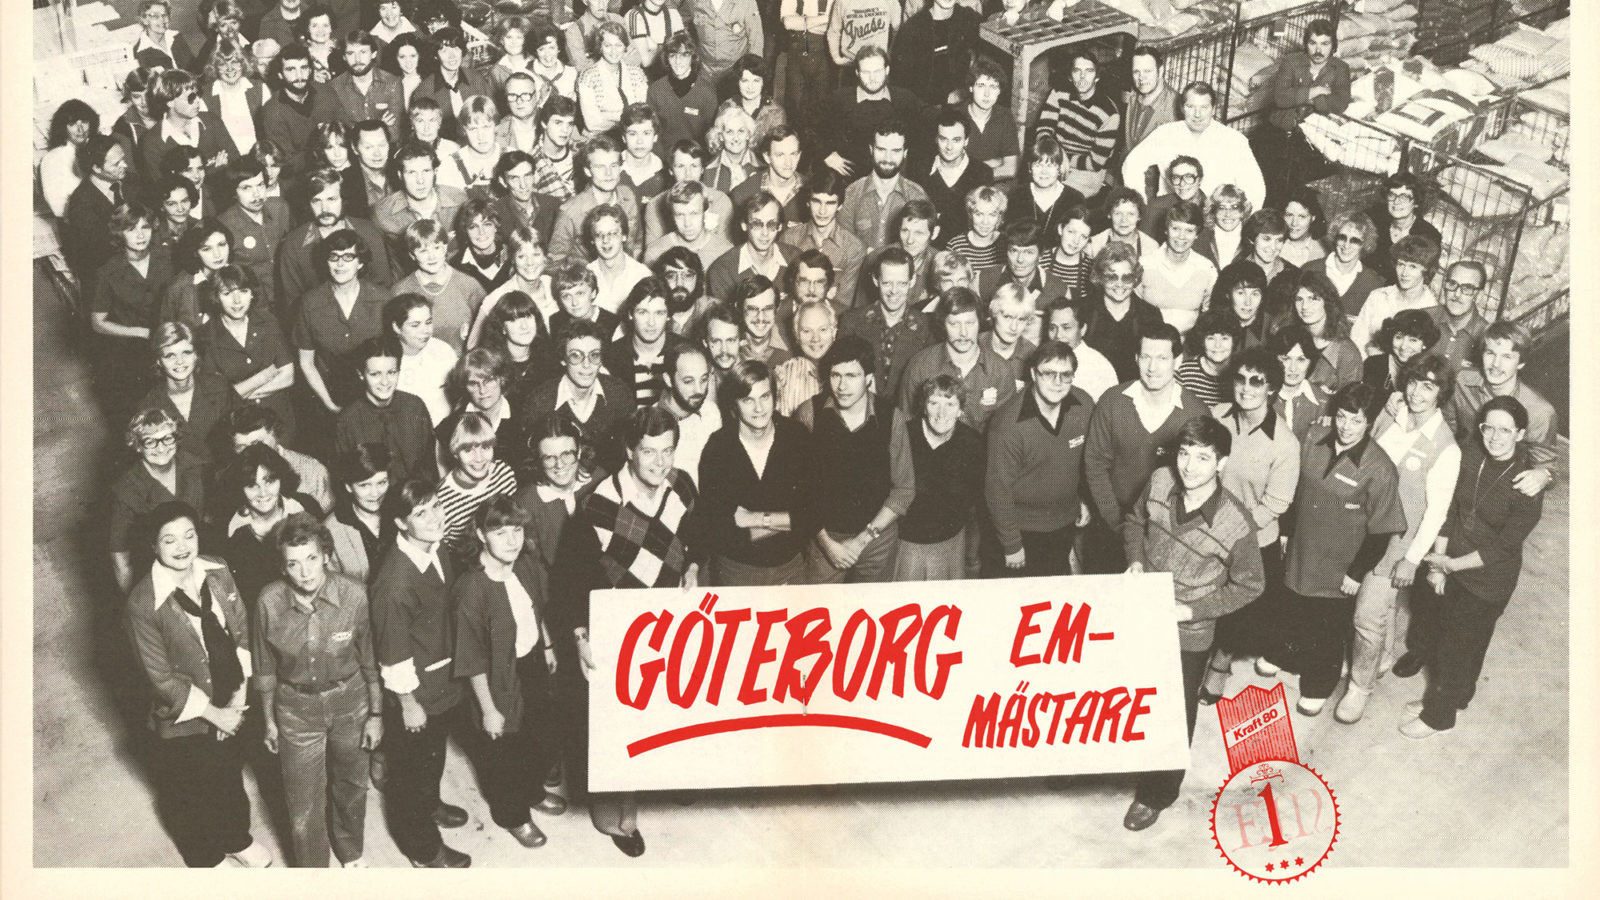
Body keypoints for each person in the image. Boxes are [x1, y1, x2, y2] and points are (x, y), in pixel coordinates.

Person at [553, 407, 706, 857]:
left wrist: (693, 564)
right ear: (629, 451)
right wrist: (580, 636)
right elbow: (568, 582)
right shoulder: (597, 504)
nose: (660, 462)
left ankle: (666, 775)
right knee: (617, 721)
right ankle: (617, 809)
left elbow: (698, 534)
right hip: (617, 627)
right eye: (649, 452)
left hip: (668, 623)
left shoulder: (682, 486)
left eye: (667, 451)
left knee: (668, 704)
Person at [1120, 417, 1264, 832]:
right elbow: (1135, 520)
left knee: (1173, 711)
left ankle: (1156, 793)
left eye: (1203, 458)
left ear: (1221, 463)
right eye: (1184, 453)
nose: (1188, 466)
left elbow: (1250, 584)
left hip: (1188, 631)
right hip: (1143, 609)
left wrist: (1193, 611)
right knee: (1127, 691)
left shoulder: (1236, 523)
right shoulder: (1160, 480)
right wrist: (1135, 560)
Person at [126, 501, 271, 868]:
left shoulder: (217, 569)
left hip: (231, 697)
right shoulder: (143, 604)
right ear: (154, 546)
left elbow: (241, 630)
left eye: (189, 535)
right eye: (169, 540)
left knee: (229, 773)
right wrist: (214, 715)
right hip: (187, 714)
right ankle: (203, 855)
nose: (182, 547)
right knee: (191, 787)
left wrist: (236, 700)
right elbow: (160, 678)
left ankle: (235, 837)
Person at [1399, 396, 1544, 738]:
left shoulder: (1527, 483)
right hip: (1451, 562)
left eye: (1505, 430)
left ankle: (1439, 717)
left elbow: (1503, 547)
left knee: (1459, 646)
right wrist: (1437, 564)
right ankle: (1455, 697)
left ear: (1520, 434)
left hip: (1488, 579)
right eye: (1488, 427)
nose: (1494, 437)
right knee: (1454, 639)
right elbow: (1450, 509)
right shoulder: (1471, 454)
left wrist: (1450, 565)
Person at [248, 513, 381, 868]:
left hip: (351, 702)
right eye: (293, 563)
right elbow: (264, 669)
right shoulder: (268, 602)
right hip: (296, 709)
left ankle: (351, 851)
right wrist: (269, 721)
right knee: (303, 803)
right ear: (282, 567)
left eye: (311, 558)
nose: (305, 571)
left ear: (326, 556)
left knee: (352, 785)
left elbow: (370, 659)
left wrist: (376, 713)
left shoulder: (354, 595)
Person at [1337, 353, 1461, 724]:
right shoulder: (1392, 415)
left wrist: (1412, 558)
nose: (1417, 392)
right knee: (1376, 606)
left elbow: (1436, 512)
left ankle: (1359, 688)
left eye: (1429, 386)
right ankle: (1383, 654)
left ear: (1441, 393)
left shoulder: (1446, 447)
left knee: (1367, 616)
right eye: (1413, 382)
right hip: (1361, 527)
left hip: (1397, 542)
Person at [1275, 382, 1406, 716]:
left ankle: (1318, 686)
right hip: (1303, 549)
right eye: (1342, 417)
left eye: (1357, 421)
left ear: (1369, 423)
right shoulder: (1312, 440)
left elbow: (1382, 531)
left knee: (1328, 627)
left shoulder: (1380, 468)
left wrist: (1356, 572)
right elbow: (1294, 489)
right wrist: (1286, 533)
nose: (1347, 427)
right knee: (1296, 608)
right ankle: (1292, 659)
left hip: (1339, 565)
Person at [452, 496, 567, 849]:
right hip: (495, 678)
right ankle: (512, 814)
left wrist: (546, 644)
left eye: (516, 530)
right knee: (503, 755)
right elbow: (470, 658)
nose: (512, 540)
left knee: (539, 736)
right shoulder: (471, 589)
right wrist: (488, 709)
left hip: (530, 663)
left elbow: (535, 609)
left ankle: (532, 791)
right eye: (500, 533)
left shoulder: (523, 565)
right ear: (480, 535)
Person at [368, 479, 473, 868]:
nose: (433, 518)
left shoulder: (436, 546)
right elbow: (393, 654)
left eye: (436, 506)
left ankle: (430, 805)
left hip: (441, 681)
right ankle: (422, 849)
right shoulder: (394, 583)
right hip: (415, 693)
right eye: (420, 512)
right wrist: (408, 704)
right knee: (410, 775)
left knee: (432, 759)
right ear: (400, 522)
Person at [1199, 347, 1300, 704]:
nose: (1246, 388)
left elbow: (1276, 503)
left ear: (1271, 388)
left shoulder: (1284, 443)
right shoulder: (1217, 416)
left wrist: (1230, 531)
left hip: (1252, 540)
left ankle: (1220, 664)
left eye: (1256, 381)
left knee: (1236, 611)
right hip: (1206, 528)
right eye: (1240, 379)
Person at [1082, 325, 1209, 573]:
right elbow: (1095, 464)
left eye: (1162, 358)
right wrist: (1118, 524)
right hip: (1111, 523)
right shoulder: (1113, 401)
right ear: (1136, 358)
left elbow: (1201, 479)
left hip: (1168, 533)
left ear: (1178, 361)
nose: (1152, 367)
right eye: (1146, 357)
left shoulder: (1196, 412)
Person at [800, 334, 915, 583]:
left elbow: (904, 489)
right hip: (825, 540)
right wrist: (826, 543)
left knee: (873, 605)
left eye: (852, 376)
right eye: (835, 375)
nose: (842, 386)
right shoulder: (810, 414)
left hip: (876, 539)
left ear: (869, 378)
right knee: (821, 606)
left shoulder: (891, 418)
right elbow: (800, 490)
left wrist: (863, 539)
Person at [696, 360, 814, 584]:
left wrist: (753, 518)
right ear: (734, 404)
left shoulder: (796, 436)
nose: (759, 409)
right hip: (736, 571)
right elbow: (717, 526)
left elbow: (812, 515)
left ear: (774, 398)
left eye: (765, 397)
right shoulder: (718, 447)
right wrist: (786, 521)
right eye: (748, 400)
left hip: (791, 568)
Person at [983, 340, 1093, 577]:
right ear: (1033, 374)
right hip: (1020, 529)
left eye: (1065, 375)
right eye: (1048, 373)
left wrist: (1084, 499)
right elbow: (997, 490)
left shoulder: (1084, 406)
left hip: (1063, 523)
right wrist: (1011, 544)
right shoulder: (1007, 424)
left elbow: (1088, 461)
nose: (1057, 382)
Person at [1442, 321, 1559, 494]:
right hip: (1460, 470)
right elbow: (1445, 429)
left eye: (1507, 357)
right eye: (1490, 353)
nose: (1496, 364)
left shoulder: (1539, 411)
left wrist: (1542, 476)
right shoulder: (1462, 381)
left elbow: (1547, 468)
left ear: (1521, 363)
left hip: (1504, 485)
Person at [892, 373, 982, 581]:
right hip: (906, 541)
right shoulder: (903, 436)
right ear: (924, 407)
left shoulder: (972, 443)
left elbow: (974, 501)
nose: (942, 413)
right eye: (934, 403)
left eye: (950, 404)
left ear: (960, 410)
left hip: (950, 541)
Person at [110, 409, 211, 593]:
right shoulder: (127, 488)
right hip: (159, 575)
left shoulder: (195, 466)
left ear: (176, 438)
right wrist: (132, 600)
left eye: (167, 438)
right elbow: (120, 555)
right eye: (150, 442)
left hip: (201, 558)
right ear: (137, 445)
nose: (161, 448)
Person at [1120, 81, 1264, 211]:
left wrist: (1242, 221)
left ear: (1213, 109)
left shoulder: (1234, 140)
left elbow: (1255, 187)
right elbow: (1132, 164)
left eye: (1204, 107)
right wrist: (1141, 206)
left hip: (1216, 218)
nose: (1197, 114)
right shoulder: (1165, 133)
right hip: (1172, 216)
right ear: (1182, 108)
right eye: (1190, 107)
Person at [293, 227, 391, 413]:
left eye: (348, 257)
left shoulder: (383, 299)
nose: (340, 264)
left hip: (378, 396)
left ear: (360, 263)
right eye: (334, 257)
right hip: (330, 395)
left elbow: (393, 357)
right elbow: (306, 362)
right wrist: (329, 404)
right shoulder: (310, 303)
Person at [216, 442, 325, 605]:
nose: (263, 493)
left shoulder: (307, 507)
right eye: (252, 485)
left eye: (269, 481)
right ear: (239, 488)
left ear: (281, 479)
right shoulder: (229, 532)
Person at [90, 203, 170, 418]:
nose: (140, 235)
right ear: (119, 234)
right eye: (131, 229)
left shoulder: (167, 257)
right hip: (132, 350)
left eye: (145, 227)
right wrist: (140, 332)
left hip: (169, 339)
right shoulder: (108, 272)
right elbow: (98, 323)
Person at [1259, 18, 1350, 207]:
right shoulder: (1291, 62)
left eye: (1325, 44)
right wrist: (1316, 91)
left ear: (1333, 46)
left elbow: (1340, 103)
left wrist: (1304, 98)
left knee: (1305, 186)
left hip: (1312, 136)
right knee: (1271, 183)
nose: (1318, 50)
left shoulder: (1341, 68)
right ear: (1305, 44)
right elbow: (1280, 98)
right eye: (1313, 43)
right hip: (1281, 128)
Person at [197, 265, 297, 437]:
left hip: (279, 422)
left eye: (243, 291)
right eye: (227, 293)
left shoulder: (267, 321)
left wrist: (241, 392)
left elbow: (288, 376)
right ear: (216, 297)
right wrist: (265, 375)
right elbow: (219, 399)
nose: (237, 301)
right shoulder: (205, 336)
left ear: (252, 293)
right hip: (240, 428)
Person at [898, 288, 1016, 431]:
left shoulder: (1001, 371)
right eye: (954, 324)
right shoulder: (920, 366)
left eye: (970, 323)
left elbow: (1006, 431)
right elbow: (906, 425)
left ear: (980, 323)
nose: (963, 333)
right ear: (943, 324)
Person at [528, 318, 631, 473]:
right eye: (576, 356)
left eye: (594, 355)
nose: (586, 364)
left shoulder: (618, 393)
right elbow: (533, 462)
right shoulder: (540, 402)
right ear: (563, 359)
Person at [334, 335, 437, 481]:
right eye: (375, 374)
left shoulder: (415, 406)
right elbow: (345, 477)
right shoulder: (347, 420)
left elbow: (429, 465)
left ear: (399, 371)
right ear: (361, 374)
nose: (385, 382)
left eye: (391, 372)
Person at [839, 246, 935, 402]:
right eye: (887, 283)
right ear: (875, 280)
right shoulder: (852, 321)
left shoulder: (927, 326)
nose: (894, 291)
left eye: (902, 283)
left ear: (912, 281)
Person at [140, 321, 242, 467]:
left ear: (196, 355)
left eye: (186, 353)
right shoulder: (149, 405)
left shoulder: (219, 387)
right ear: (159, 361)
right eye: (170, 356)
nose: (179, 361)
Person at [820, 48, 928, 181]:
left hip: (892, 179)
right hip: (850, 179)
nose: (872, 78)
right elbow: (806, 123)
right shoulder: (840, 99)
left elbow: (933, 119)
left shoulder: (904, 98)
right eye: (866, 72)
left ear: (887, 70)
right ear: (857, 73)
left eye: (877, 71)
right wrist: (825, 154)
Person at [1034, 50, 1120, 200]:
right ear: (1070, 76)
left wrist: (1062, 158)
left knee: (1056, 198)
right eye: (1077, 71)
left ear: (1097, 77)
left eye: (1089, 71)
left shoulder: (1109, 114)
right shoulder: (1058, 93)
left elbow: (1095, 163)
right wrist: (1058, 155)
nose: (1082, 77)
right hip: (1055, 158)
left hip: (1086, 172)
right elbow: (1043, 130)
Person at [259, 44, 353, 178]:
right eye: (291, 70)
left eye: (303, 68)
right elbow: (287, 164)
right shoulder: (272, 111)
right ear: (280, 74)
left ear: (310, 70)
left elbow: (347, 131)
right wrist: (318, 148)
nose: (299, 76)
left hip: (340, 167)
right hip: (302, 179)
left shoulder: (326, 92)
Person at [390, 218, 484, 353]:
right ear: (412, 255)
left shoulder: (469, 285)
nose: (431, 256)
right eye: (423, 251)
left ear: (445, 248)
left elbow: (487, 332)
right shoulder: (401, 291)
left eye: (437, 247)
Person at [779, 168, 868, 310]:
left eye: (830, 203)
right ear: (808, 202)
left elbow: (843, 304)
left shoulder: (854, 247)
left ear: (840, 205)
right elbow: (786, 293)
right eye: (817, 201)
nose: (822, 211)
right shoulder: (789, 238)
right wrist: (829, 291)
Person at [373, 142, 469, 271]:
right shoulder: (383, 213)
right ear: (400, 175)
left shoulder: (459, 201)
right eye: (411, 172)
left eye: (426, 171)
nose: (420, 180)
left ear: (435, 172)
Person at [549, 134, 643, 264]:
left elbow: (637, 243)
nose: (608, 173)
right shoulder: (570, 212)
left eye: (613, 165)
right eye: (600, 167)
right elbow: (553, 264)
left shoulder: (628, 196)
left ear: (620, 168)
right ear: (588, 171)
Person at [62, 135, 134, 299]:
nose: (125, 165)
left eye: (123, 159)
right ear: (96, 168)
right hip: (107, 280)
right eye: (116, 164)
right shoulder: (81, 202)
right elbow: (98, 254)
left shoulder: (131, 181)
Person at [1352, 234, 1440, 356]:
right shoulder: (1378, 296)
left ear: (1426, 270)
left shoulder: (1432, 309)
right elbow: (1357, 340)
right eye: (1401, 264)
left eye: (1413, 267)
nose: (1404, 273)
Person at [605, 277, 686, 408]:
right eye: (642, 312)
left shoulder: (685, 353)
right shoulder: (611, 357)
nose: (651, 322)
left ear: (669, 316)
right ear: (631, 314)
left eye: (659, 313)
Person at [1140, 199, 1217, 334]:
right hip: (1150, 342)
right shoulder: (1145, 265)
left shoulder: (1206, 268)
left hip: (1190, 343)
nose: (1181, 236)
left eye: (1189, 231)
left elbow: (1210, 314)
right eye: (1175, 229)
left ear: (1197, 234)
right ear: (1166, 230)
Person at [1214, 209, 1299, 329]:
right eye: (1266, 239)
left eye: (1279, 240)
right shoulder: (1232, 273)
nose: (1273, 247)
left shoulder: (1294, 276)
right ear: (1252, 239)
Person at [386, 294, 458, 425]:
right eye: (415, 325)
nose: (426, 331)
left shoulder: (443, 350)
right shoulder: (386, 359)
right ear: (396, 327)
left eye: (428, 322)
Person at [1365, 172, 1444, 285]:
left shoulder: (1427, 235)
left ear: (1416, 203)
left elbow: (1424, 277)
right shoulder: (1376, 221)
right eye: (1392, 195)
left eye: (1404, 197)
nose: (1396, 202)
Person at [1362, 308, 1440, 421]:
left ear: (1425, 344)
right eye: (1399, 337)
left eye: (1413, 340)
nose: (1403, 346)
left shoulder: (1430, 374)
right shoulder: (1373, 364)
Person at [575, 22, 651, 135]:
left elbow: (643, 114)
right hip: (603, 137)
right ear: (600, 47)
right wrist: (628, 119)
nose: (613, 51)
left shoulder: (636, 73)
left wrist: (608, 116)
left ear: (625, 47)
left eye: (618, 45)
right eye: (608, 45)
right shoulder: (588, 76)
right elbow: (592, 123)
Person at [647, 35, 718, 156]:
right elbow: (652, 131)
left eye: (684, 55)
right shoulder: (656, 90)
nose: (678, 61)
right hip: (665, 157)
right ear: (667, 58)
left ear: (692, 57)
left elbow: (711, 136)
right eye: (672, 55)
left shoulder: (707, 91)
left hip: (695, 157)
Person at [1291, 274, 1362, 393]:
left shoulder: (1347, 353)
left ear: (1328, 302)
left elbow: (1351, 400)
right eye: (1299, 299)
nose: (1304, 306)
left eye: (1313, 299)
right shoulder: (1290, 338)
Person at [1042, 297, 1117, 401]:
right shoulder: (1042, 361)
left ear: (1082, 330)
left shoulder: (1098, 367)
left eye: (1066, 328)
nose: (1058, 335)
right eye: (1052, 328)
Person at [584, 204, 653, 315]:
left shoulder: (642, 276)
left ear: (624, 236)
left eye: (612, 233)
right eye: (598, 234)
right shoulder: (586, 275)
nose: (605, 240)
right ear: (592, 240)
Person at [1269, 324, 1333, 443]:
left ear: (1311, 362)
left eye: (1301, 359)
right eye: (1286, 359)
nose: (1293, 368)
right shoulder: (1260, 396)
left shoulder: (1323, 403)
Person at [40, 99, 99, 219]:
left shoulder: (96, 150)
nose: (80, 129)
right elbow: (58, 208)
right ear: (63, 127)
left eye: (84, 122)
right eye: (72, 124)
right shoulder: (52, 159)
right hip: (75, 221)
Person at [1426, 260, 1490, 371]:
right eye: (1452, 284)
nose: (1457, 294)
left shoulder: (1487, 336)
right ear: (1444, 286)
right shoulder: (1425, 318)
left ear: (1479, 296)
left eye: (1467, 288)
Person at [436, 98, 505, 199]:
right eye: (473, 129)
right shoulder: (450, 166)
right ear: (464, 130)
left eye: (486, 127)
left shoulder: (512, 156)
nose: (480, 136)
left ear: (496, 127)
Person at [964, 56, 1019, 181]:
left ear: (999, 91)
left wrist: (972, 173)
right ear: (971, 87)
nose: (987, 94)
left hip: (992, 188)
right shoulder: (956, 116)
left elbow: (1011, 169)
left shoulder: (1004, 116)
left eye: (993, 87)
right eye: (981, 85)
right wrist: (997, 162)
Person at [1120, 45, 1178, 161]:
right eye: (1136, 72)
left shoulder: (1176, 106)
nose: (1141, 78)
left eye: (1147, 71)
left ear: (1160, 71)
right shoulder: (1132, 98)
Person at [1175, 309, 1241, 407]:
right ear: (1202, 341)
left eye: (1224, 338)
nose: (1217, 345)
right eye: (1211, 338)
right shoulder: (1184, 373)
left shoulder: (1240, 373)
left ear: (1233, 342)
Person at [686, 0, 763, 82]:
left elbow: (756, 39)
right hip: (705, 71)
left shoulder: (746, 2)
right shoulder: (694, 2)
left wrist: (753, 73)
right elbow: (681, 15)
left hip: (735, 71)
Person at [547, 260, 621, 342]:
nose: (574, 303)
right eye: (566, 296)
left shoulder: (614, 325)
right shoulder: (554, 322)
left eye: (580, 293)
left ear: (593, 293)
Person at [1138, 155, 1206, 241]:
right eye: (1176, 178)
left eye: (1189, 177)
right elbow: (1144, 243)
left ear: (1200, 180)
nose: (1182, 184)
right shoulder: (1156, 207)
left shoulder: (1212, 207)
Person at [449, 199, 511, 292]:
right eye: (473, 227)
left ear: (495, 227)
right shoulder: (456, 265)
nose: (481, 232)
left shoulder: (512, 256)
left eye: (487, 224)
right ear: (466, 231)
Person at [1087, 187, 1160, 260]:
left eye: (1131, 214)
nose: (1124, 220)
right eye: (1118, 213)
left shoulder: (1151, 248)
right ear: (1109, 214)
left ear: (1139, 216)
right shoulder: (1094, 245)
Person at [131, 0, 198, 71]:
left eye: (164, 15)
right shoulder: (139, 53)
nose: (162, 20)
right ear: (144, 20)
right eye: (155, 16)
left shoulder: (176, 36)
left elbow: (194, 68)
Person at [1280, 187, 1327, 268]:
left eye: (1302, 216)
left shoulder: (1323, 251)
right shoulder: (1275, 246)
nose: (1294, 223)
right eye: (1289, 215)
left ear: (1313, 218)